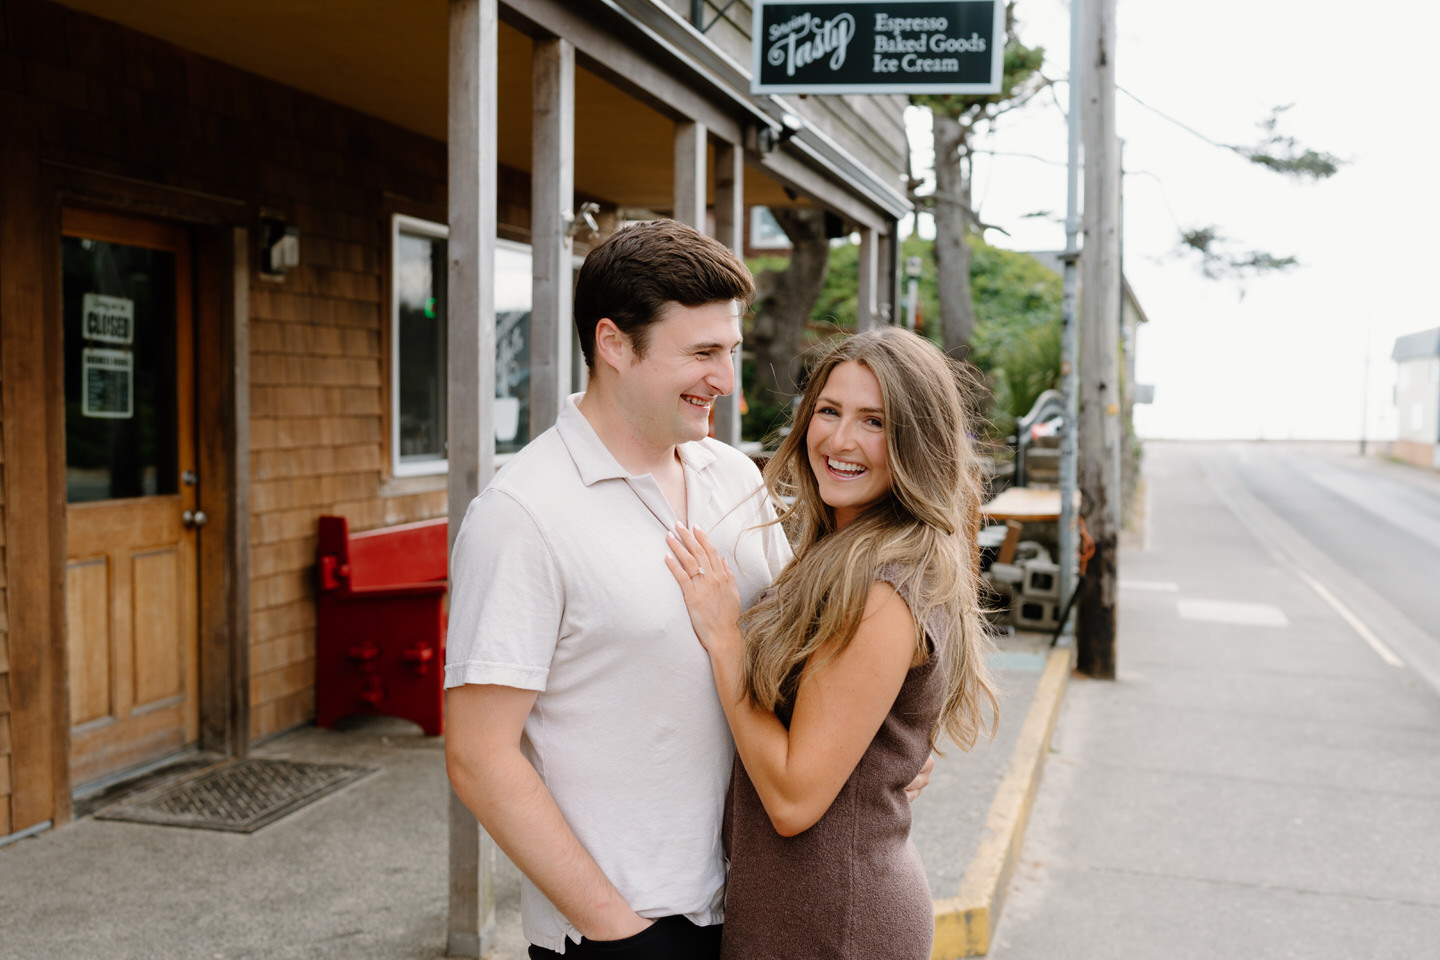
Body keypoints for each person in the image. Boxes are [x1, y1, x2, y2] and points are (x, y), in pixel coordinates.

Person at [442, 219, 791, 959]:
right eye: (701, 353)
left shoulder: (732, 476)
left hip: (761, 900)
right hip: (629, 928)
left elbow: (794, 646)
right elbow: (479, 757)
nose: (725, 381)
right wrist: (615, 930)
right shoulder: (522, 515)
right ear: (613, 344)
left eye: (729, 351)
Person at [665, 327, 998, 960]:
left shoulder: (882, 587)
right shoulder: (839, 550)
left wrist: (725, 638)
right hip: (799, 907)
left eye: (874, 421)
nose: (841, 441)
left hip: (834, 923)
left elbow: (794, 798)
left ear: (916, 441)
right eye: (829, 410)